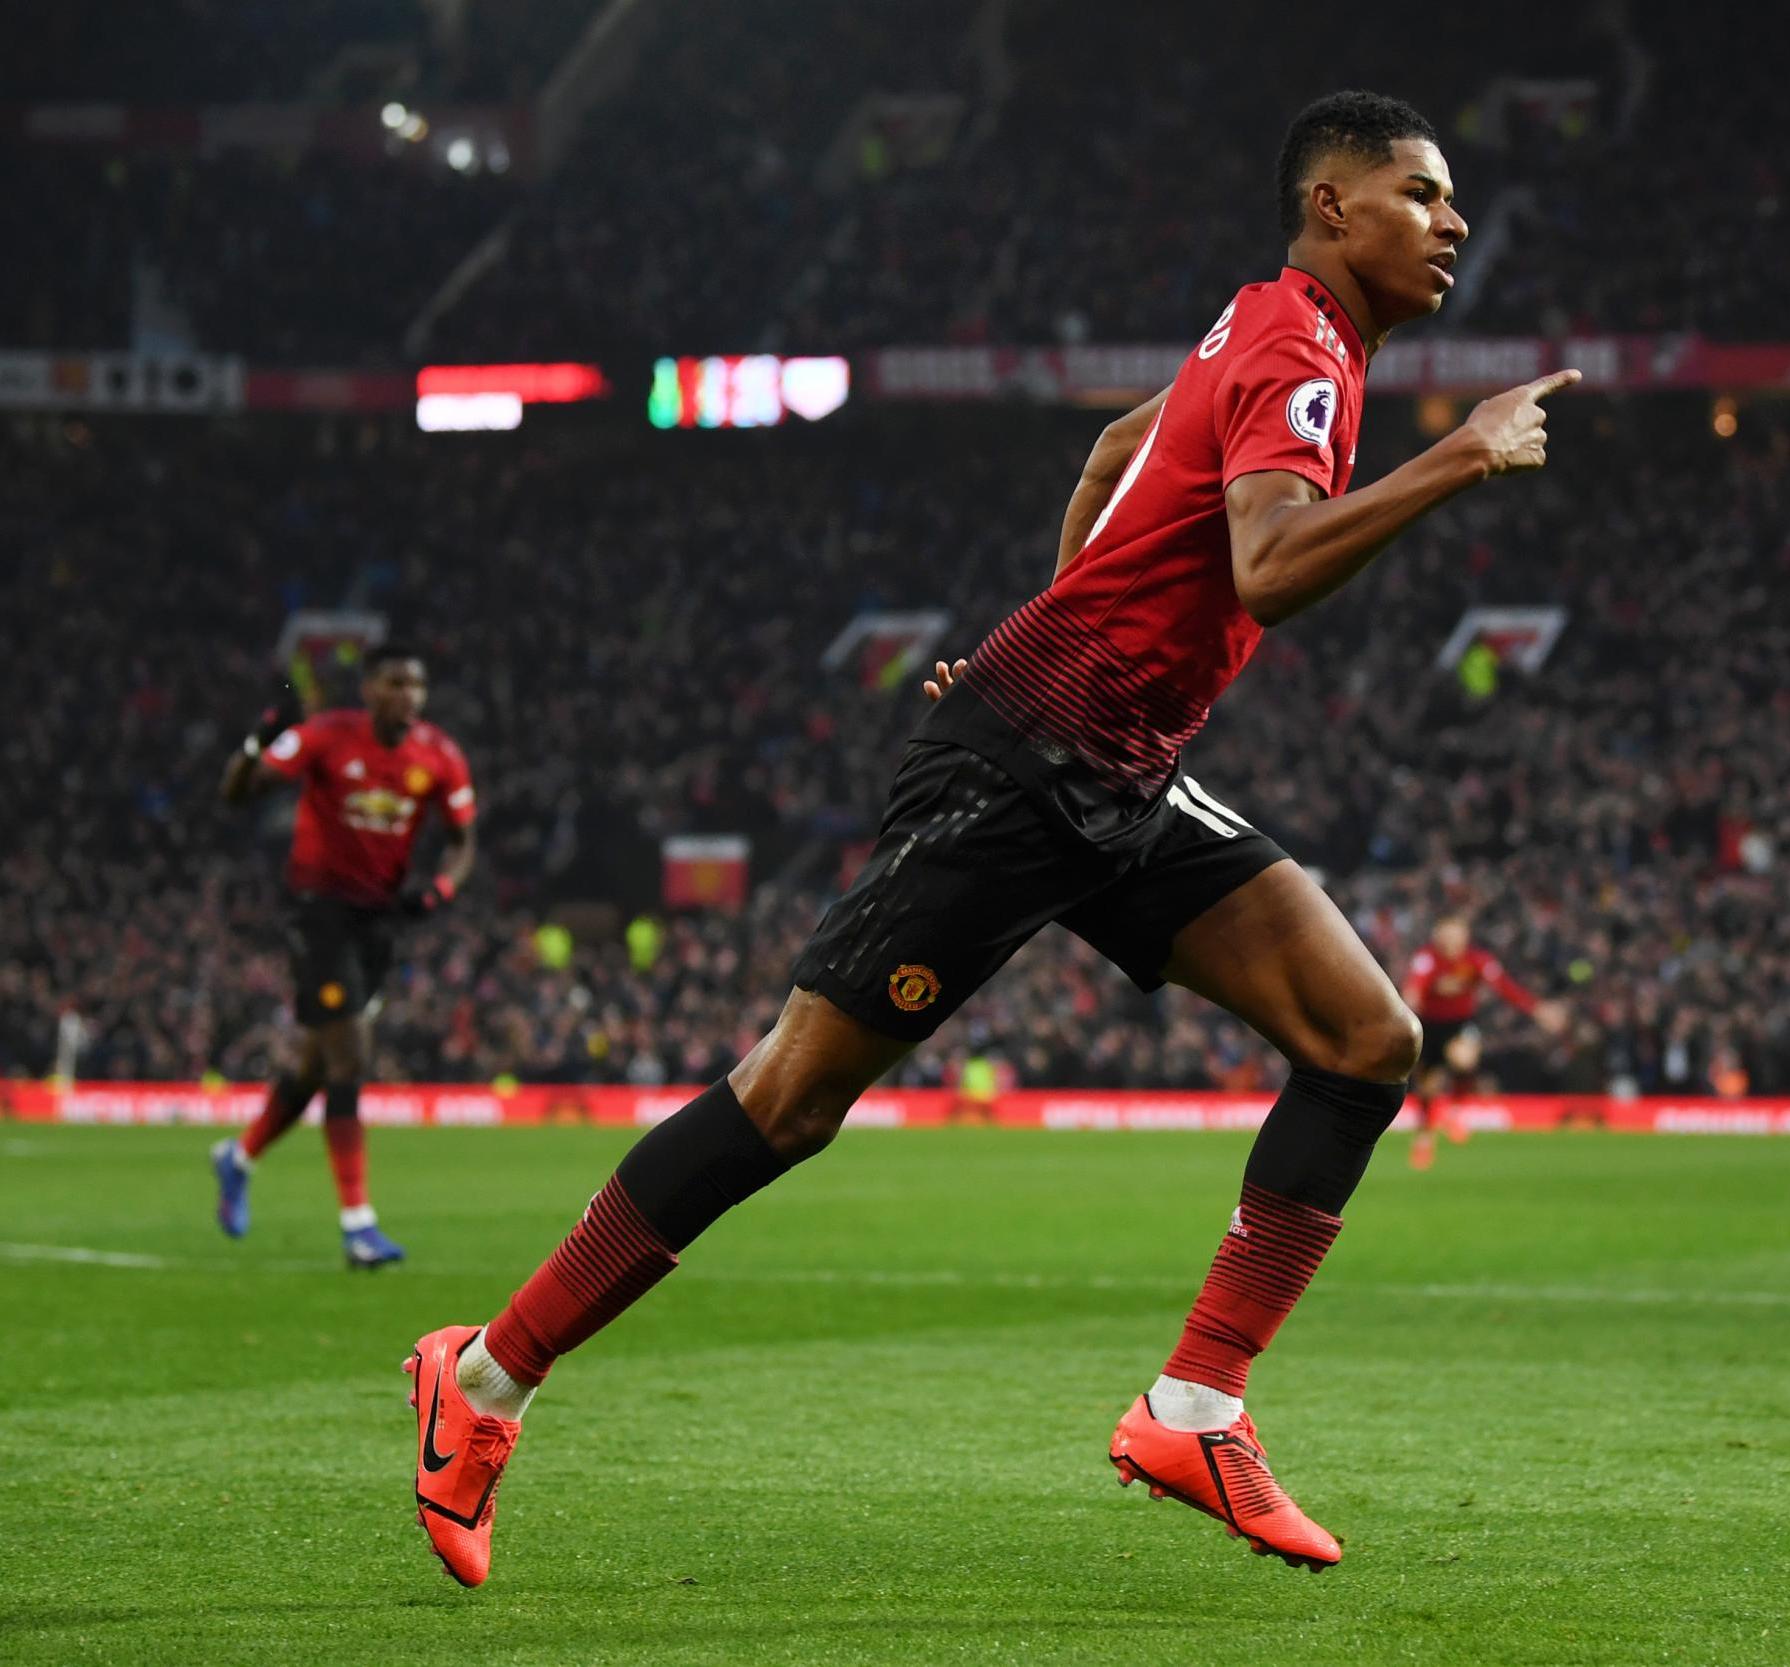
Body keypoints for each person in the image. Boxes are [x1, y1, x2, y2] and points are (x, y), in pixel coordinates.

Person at [401, 88, 1578, 1588]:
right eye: (1422, 193)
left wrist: (1053, 630)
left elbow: (1106, 456)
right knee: (790, 1097)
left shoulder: (1270, 328)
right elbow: (1270, 569)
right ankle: (485, 1376)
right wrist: (1462, 454)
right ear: (1331, 208)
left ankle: (1193, 1406)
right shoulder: (1295, 345)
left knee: (1364, 1037)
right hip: (1022, 771)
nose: (1454, 221)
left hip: (1114, 768)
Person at [210, 646, 476, 1266]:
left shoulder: (439, 755)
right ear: (369, 687)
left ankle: (239, 1156)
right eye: (394, 681)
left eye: (416, 682)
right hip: (318, 911)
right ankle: (358, 1224)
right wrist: (254, 745)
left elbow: (464, 842)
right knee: (350, 1053)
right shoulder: (328, 736)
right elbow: (236, 795)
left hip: (379, 921)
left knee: (316, 1066)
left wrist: (440, 889)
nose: (407, 693)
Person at [1399, 914, 1565, 1169]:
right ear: (1438, 936)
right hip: (1430, 1026)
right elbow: (1414, 985)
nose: (1452, 941)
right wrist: (1409, 1002)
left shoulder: (1478, 959)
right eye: (1447, 935)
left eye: (1457, 935)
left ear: (1465, 936)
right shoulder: (1428, 958)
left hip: (1460, 1024)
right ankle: (1425, 1138)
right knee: (1429, 1088)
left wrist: (1537, 1010)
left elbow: (1505, 987)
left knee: (1464, 1059)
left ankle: (1454, 1111)